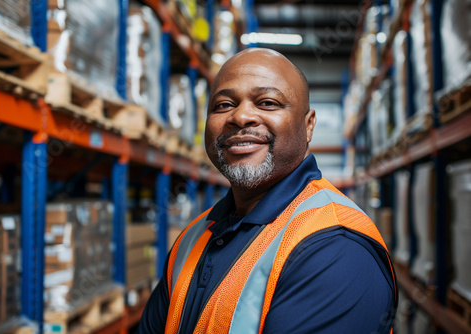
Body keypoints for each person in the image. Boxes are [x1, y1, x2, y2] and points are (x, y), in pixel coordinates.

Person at [137, 48, 397, 334]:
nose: (241, 116)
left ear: (308, 126)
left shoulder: (337, 249)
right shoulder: (192, 239)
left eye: (267, 102)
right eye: (223, 105)